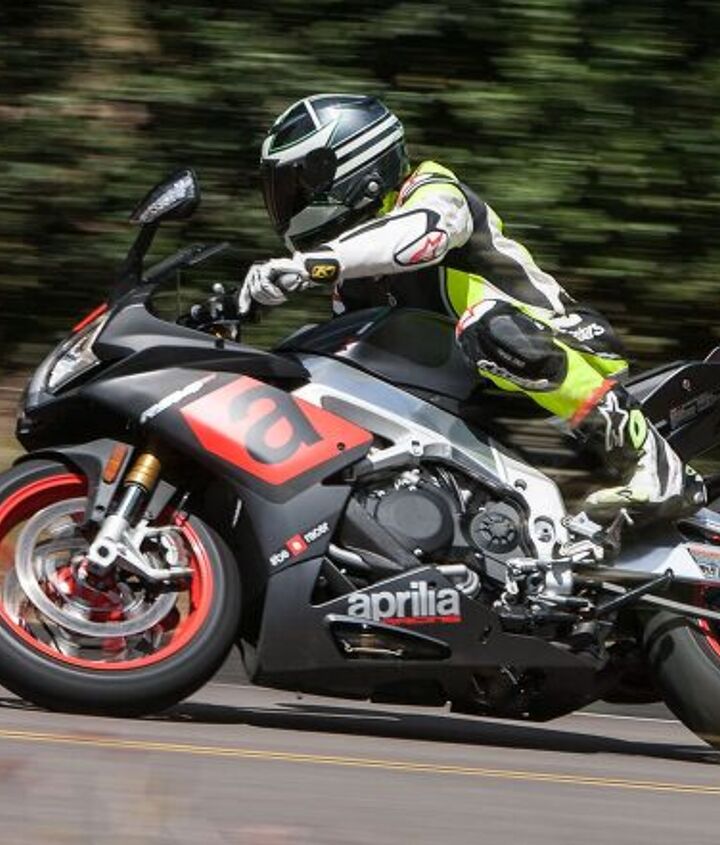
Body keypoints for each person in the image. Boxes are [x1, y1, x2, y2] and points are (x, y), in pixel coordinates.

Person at [238, 93, 705, 522]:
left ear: (351, 168)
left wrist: (314, 264)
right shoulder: (353, 284)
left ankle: (657, 467)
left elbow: (421, 236)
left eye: (299, 185)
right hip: (480, 395)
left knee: (487, 326)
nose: (288, 203)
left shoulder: (433, 192)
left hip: (564, 343)